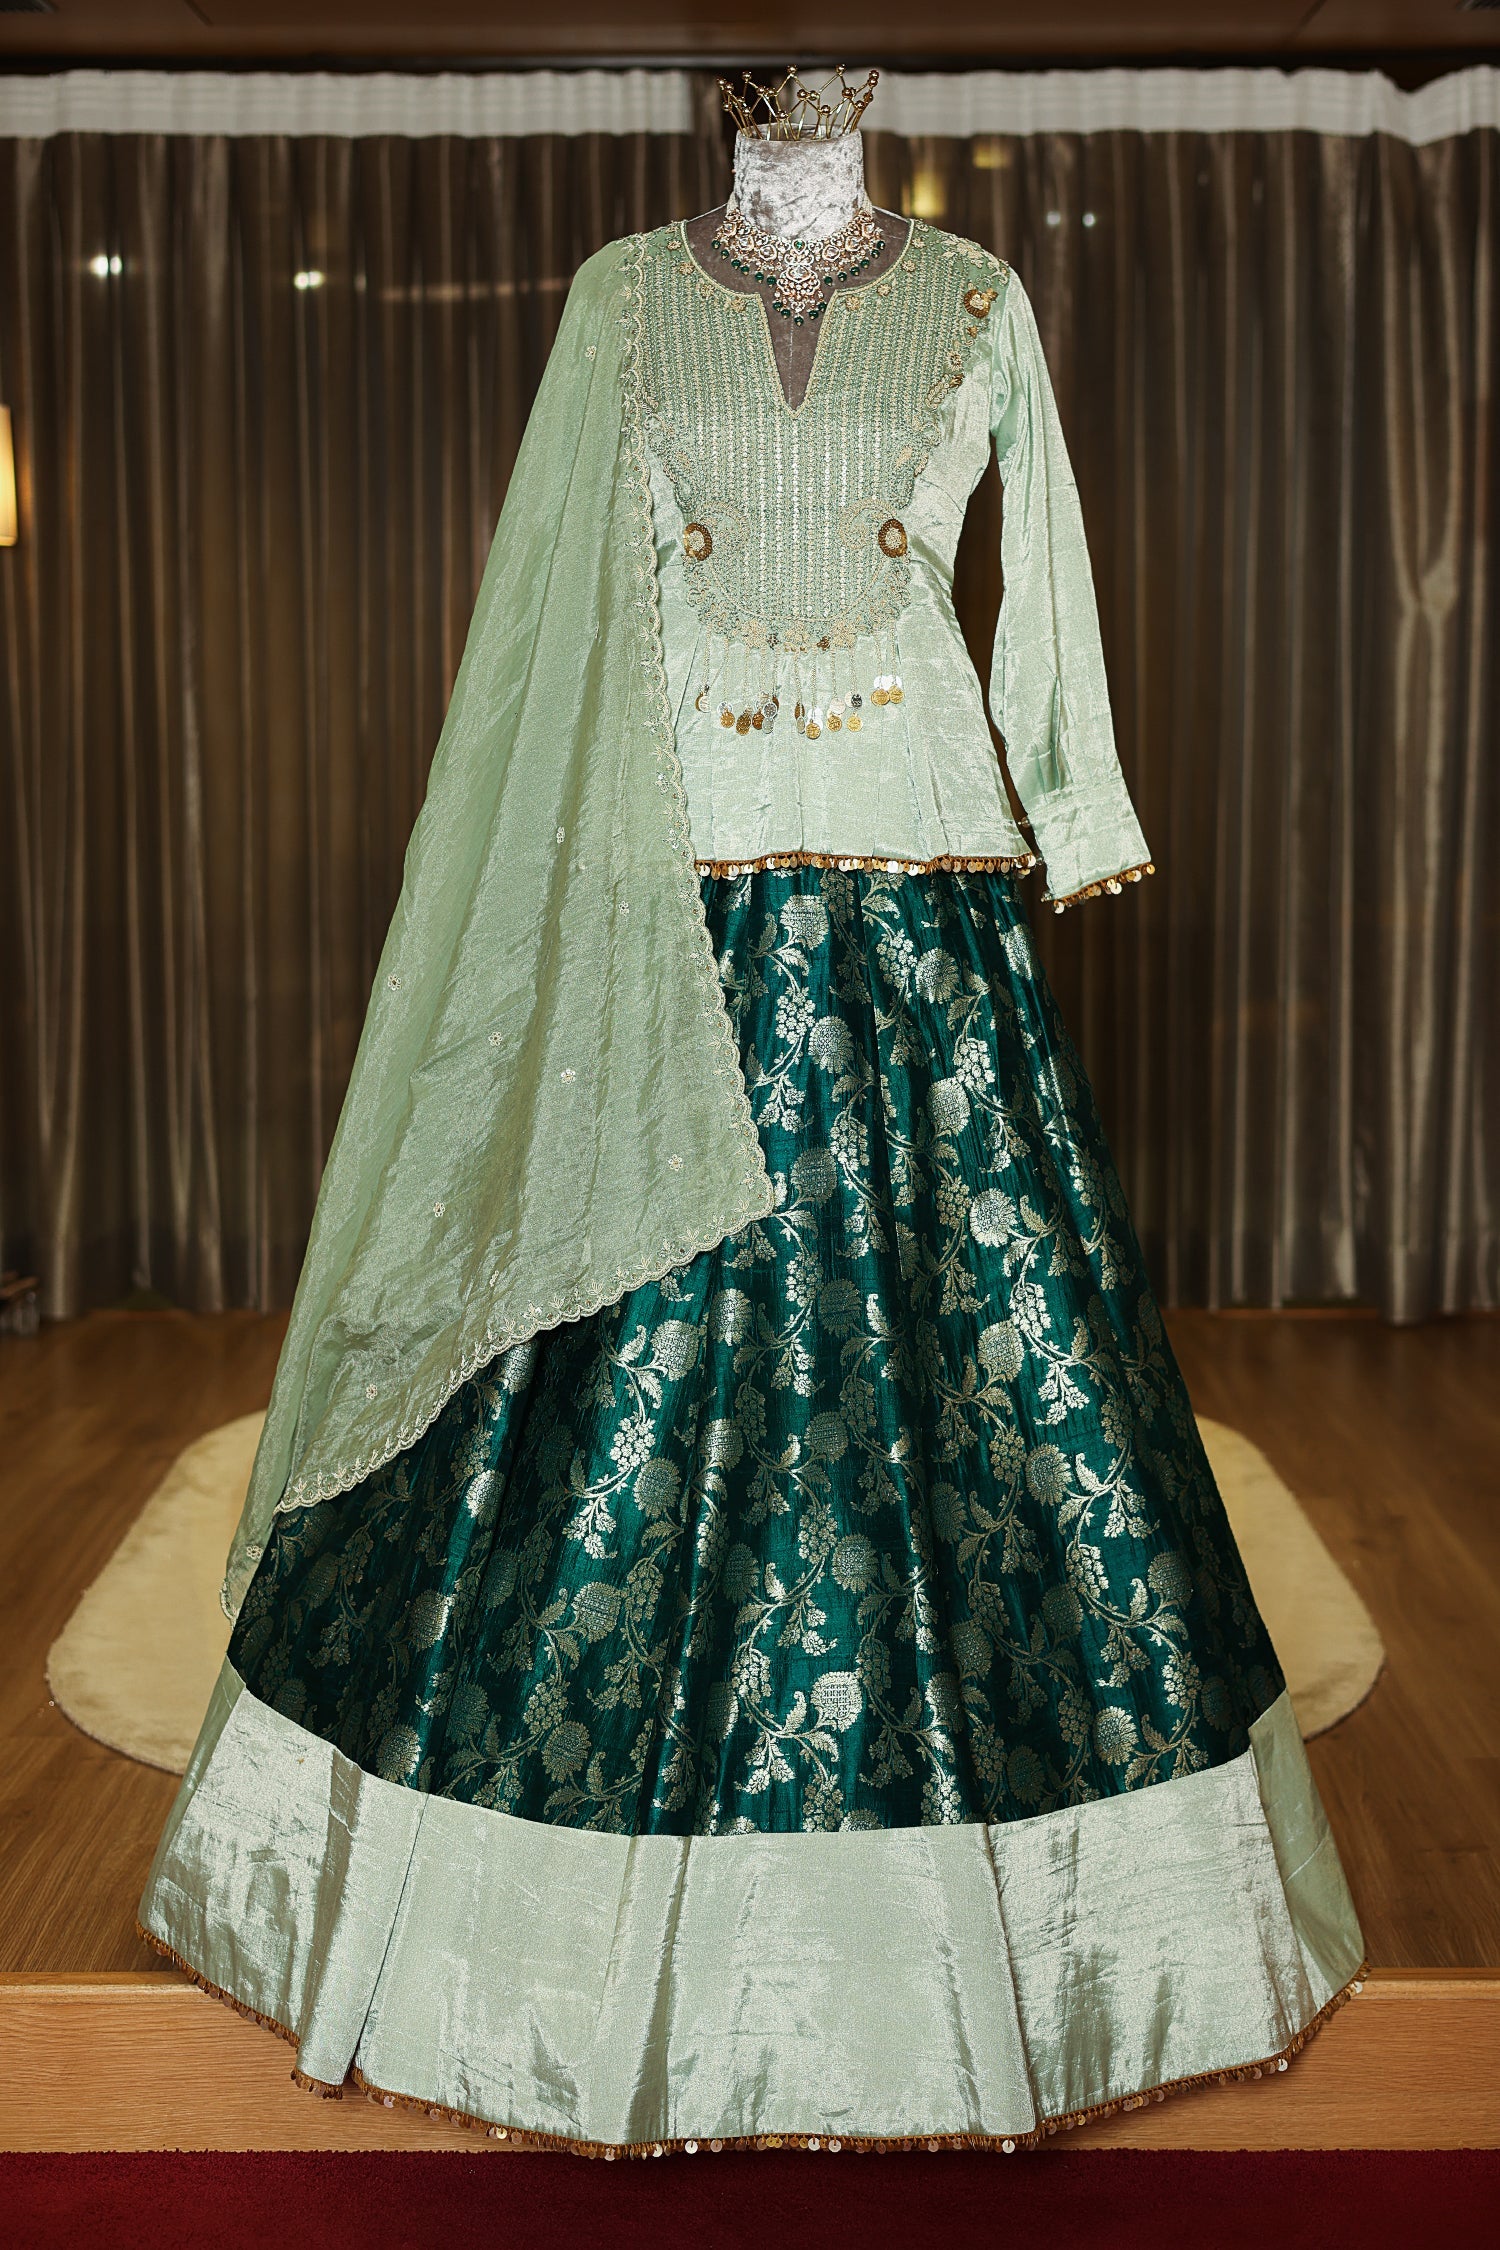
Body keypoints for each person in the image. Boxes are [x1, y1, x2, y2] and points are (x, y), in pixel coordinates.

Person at [139, 67, 1363, 2157]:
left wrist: (1073, 805)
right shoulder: (620, 299)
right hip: (673, 889)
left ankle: (1039, 1945)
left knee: (984, 1378)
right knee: (595, 1391)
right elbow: (555, 617)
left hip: (922, 875)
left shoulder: (974, 299)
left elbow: (1045, 578)